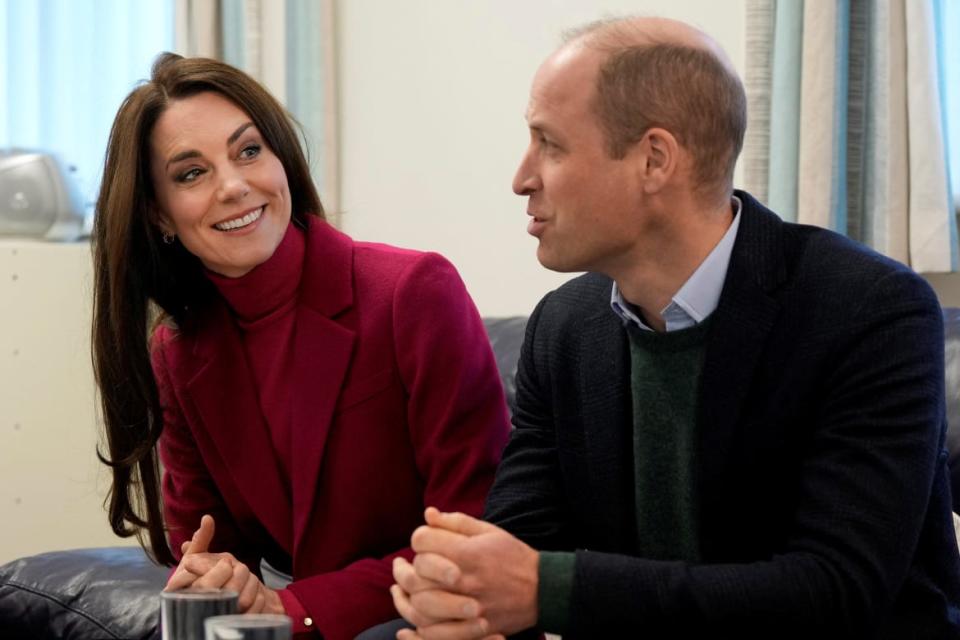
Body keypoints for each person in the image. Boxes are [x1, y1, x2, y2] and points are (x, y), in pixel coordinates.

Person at [389, 16, 960, 639]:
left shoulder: (868, 310)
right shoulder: (565, 326)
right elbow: (521, 545)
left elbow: (836, 588)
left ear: (654, 160)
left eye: (550, 145)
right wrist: (464, 603)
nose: (522, 178)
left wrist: (548, 589)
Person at [91, 52, 511, 640]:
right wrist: (216, 577)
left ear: (281, 158)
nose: (235, 186)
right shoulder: (176, 354)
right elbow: (208, 544)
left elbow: (474, 535)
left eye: (248, 151)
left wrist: (295, 608)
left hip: (429, 616)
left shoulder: (413, 291)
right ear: (159, 215)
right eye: (192, 173)